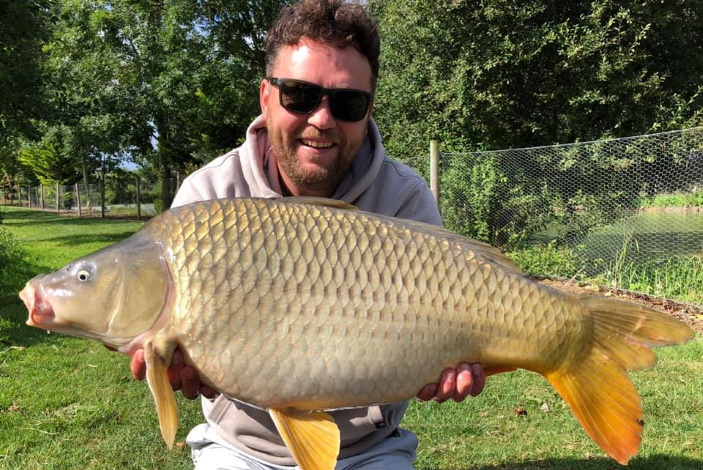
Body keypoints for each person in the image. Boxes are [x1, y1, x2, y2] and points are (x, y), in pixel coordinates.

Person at [128, 1, 486, 468]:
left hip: (370, 448)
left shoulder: (404, 197)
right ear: (266, 96)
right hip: (239, 446)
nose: (322, 119)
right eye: (299, 95)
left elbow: (450, 328)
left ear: (368, 110)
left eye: (347, 103)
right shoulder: (207, 197)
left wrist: (454, 364)